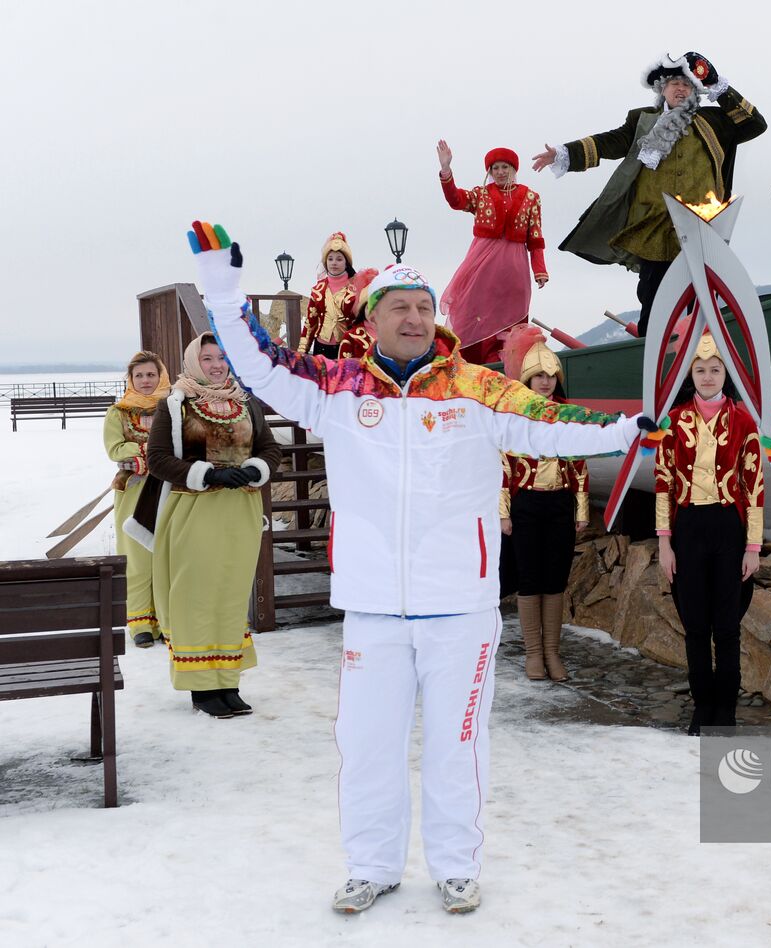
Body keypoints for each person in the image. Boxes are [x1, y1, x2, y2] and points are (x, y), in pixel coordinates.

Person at [184, 221, 650, 916]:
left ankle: (457, 865)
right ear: (370, 320)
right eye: (400, 306)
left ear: (439, 320)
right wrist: (222, 287)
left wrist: (627, 429)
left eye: (425, 307)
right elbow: (259, 361)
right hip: (374, 605)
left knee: (457, 745)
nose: (415, 317)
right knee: (368, 746)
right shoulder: (337, 388)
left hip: (459, 604)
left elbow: (552, 420)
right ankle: (371, 865)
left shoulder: (475, 388)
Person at [531, 52, 765, 334]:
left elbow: (755, 124)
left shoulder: (715, 121)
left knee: (701, 301)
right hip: (653, 226)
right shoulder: (642, 120)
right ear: (661, 88)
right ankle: (650, 357)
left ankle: (700, 362)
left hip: (700, 227)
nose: (681, 89)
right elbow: (611, 142)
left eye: (688, 84)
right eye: (674, 83)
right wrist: (564, 152)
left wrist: (717, 83)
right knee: (653, 299)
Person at [135, 333, 281, 718]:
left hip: (240, 512)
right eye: (208, 358)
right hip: (194, 511)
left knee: (230, 596)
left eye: (221, 357)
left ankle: (227, 681)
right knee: (196, 595)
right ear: (193, 361)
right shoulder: (175, 403)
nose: (217, 364)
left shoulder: (245, 403)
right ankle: (202, 687)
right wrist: (207, 474)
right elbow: (159, 458)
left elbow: (270, 448)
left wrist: (257, 468)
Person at [653, 332, 763, 734]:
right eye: (700, 370)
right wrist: (665, 543)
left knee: (727, 627)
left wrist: (753, 546)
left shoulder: (743, 421)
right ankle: (703, 706)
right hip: (688, 528)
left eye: (715, 369)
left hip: (728, 528)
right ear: (691, 374)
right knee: (695, 624)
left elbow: (754, 485)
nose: (708, 376)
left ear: (725, 373)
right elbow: (663, 482)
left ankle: (726, 710)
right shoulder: (675, 421)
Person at [498, 324, 588, 682]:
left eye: (552, 375)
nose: (547, 382)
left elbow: (580, 464)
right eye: (540, 376)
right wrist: (503, 512)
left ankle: (553, 652)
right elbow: (503, 467)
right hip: (526, 507)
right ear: (528, 379)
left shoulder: (569, 414)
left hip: (560, 506)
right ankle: (533, 653)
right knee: (530, 579)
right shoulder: (515, 417)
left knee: (556, 579)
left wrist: (582, 509)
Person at [436, 143, 548, 365]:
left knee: (511, 319)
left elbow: (535, 238)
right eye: (495, 168)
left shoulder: (531, 197)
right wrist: (446, 170)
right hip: (482, 265)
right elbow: (456, 200)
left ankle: (507, 364)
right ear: (489, 171)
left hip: (514, 268)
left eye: (504, 167)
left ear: (513, 169)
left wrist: (540, 270)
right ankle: (473, 365)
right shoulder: (481, 194)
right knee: (476, 312)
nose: (500, 172)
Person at [104, 351, 171, 647]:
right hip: (134, 490)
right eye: (139, 376)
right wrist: (143, 457)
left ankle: (168, 619)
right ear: (130, 380)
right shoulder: (118, 412)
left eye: (151, 375)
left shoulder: (174, 408)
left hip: (170, 490)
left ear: (162, 377)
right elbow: (115, 448)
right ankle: (141, 621)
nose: (145, 381)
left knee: (167, 556)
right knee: (138, 556)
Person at [298, 232, 376, 359]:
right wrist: (302, 351)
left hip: (347, 347)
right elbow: (310, 323)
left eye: (339, 259)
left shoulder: (356, 288)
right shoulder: (319, 289)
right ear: (326, 262)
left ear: (346, 263)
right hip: (321, 347)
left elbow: (364, 320)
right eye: (330, 259)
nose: (334, 263)